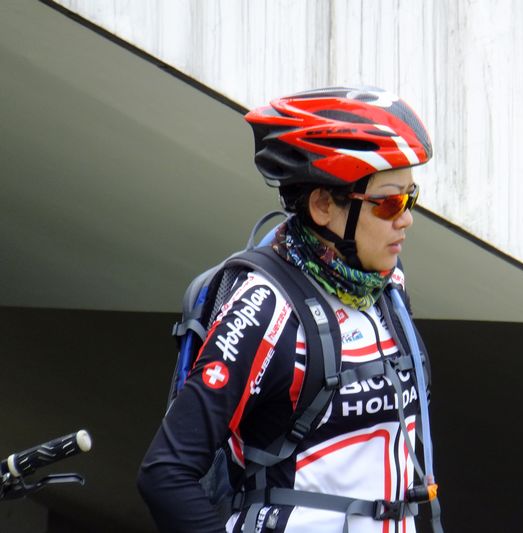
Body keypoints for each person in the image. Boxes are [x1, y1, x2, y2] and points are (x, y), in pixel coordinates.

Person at [138, 86, 440, 533]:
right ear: (323, 205)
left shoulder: (386, 288)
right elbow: (165, 474)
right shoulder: (265, 306)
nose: (406, 217)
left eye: (410, 197)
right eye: (389, 202)